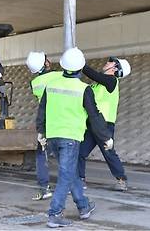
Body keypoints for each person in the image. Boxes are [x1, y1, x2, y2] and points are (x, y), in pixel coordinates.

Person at [36, 47, 113, 228]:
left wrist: (41, 132)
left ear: (63, 66)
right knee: (65, 175)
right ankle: (55, 214)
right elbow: (95, 117)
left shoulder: (51, 85)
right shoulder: (84, 89)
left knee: (69, 173)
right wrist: (106, 138)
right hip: (70, 138)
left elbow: (42, 110)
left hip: (53, 136)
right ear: (80, 68)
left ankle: (83, 206)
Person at [78, 57, 131, 191]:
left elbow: (94, 74)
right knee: (80, 152)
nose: (107, 62)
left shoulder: (112, 81)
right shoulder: (96, 84)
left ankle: (121, 179)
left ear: (115, 68)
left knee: (108, 152)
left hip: (104, 125)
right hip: (91, 123)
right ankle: (79, 180)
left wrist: (80, 63)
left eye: (110, 62)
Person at [25, 51, 61, 201]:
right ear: (46, 63)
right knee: (65, 156)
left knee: (41, 155)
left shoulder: (35, 84)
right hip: (64, 121)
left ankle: (44, 188)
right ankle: (72, 185)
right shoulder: (59, 76)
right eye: (47, 59)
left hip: (46, 123)